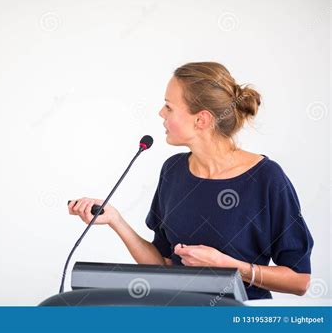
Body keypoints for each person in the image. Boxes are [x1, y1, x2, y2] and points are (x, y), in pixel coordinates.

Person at [68, 62, 314, 300]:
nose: (160, 113)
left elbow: (299, 280)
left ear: (201, 120)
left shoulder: (266, 178)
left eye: (169, 107)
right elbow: (163, 265)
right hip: (178, 315)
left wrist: (228, 266)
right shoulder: (173, 170)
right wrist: (116, 220)